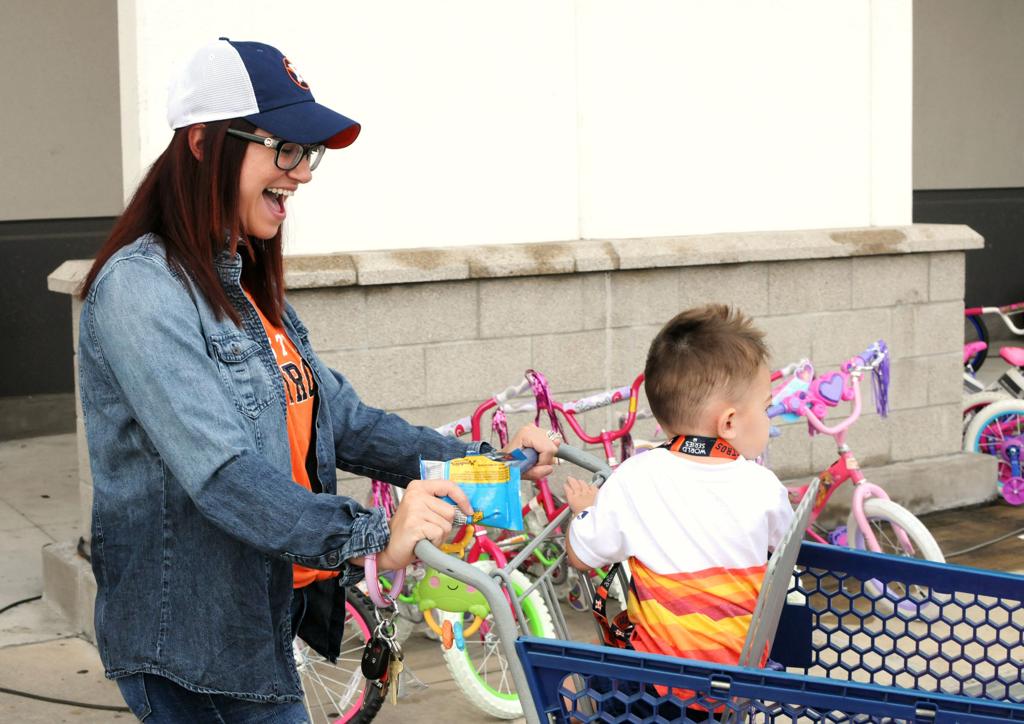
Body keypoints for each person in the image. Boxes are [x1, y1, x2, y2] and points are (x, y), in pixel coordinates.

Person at [76, 38, 556, 722]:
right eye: (284, 148)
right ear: (204, 144)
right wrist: (370, 536)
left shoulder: (243, 284)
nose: (301, 173)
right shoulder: (141, 292)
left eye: (308, 153)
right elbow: (224, 474)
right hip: (194, 648)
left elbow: (348, 424)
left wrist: (494, 467)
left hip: (259, 627)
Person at [563, 304, 794, 715]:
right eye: (766, 405)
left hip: (659, 685)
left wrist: (585, 510)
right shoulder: (763, 486)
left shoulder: (632, 479)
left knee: (571, 686)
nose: (768, 416)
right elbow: (784, 545)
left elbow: (582, 556)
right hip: (742, 680)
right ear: (728, 423)